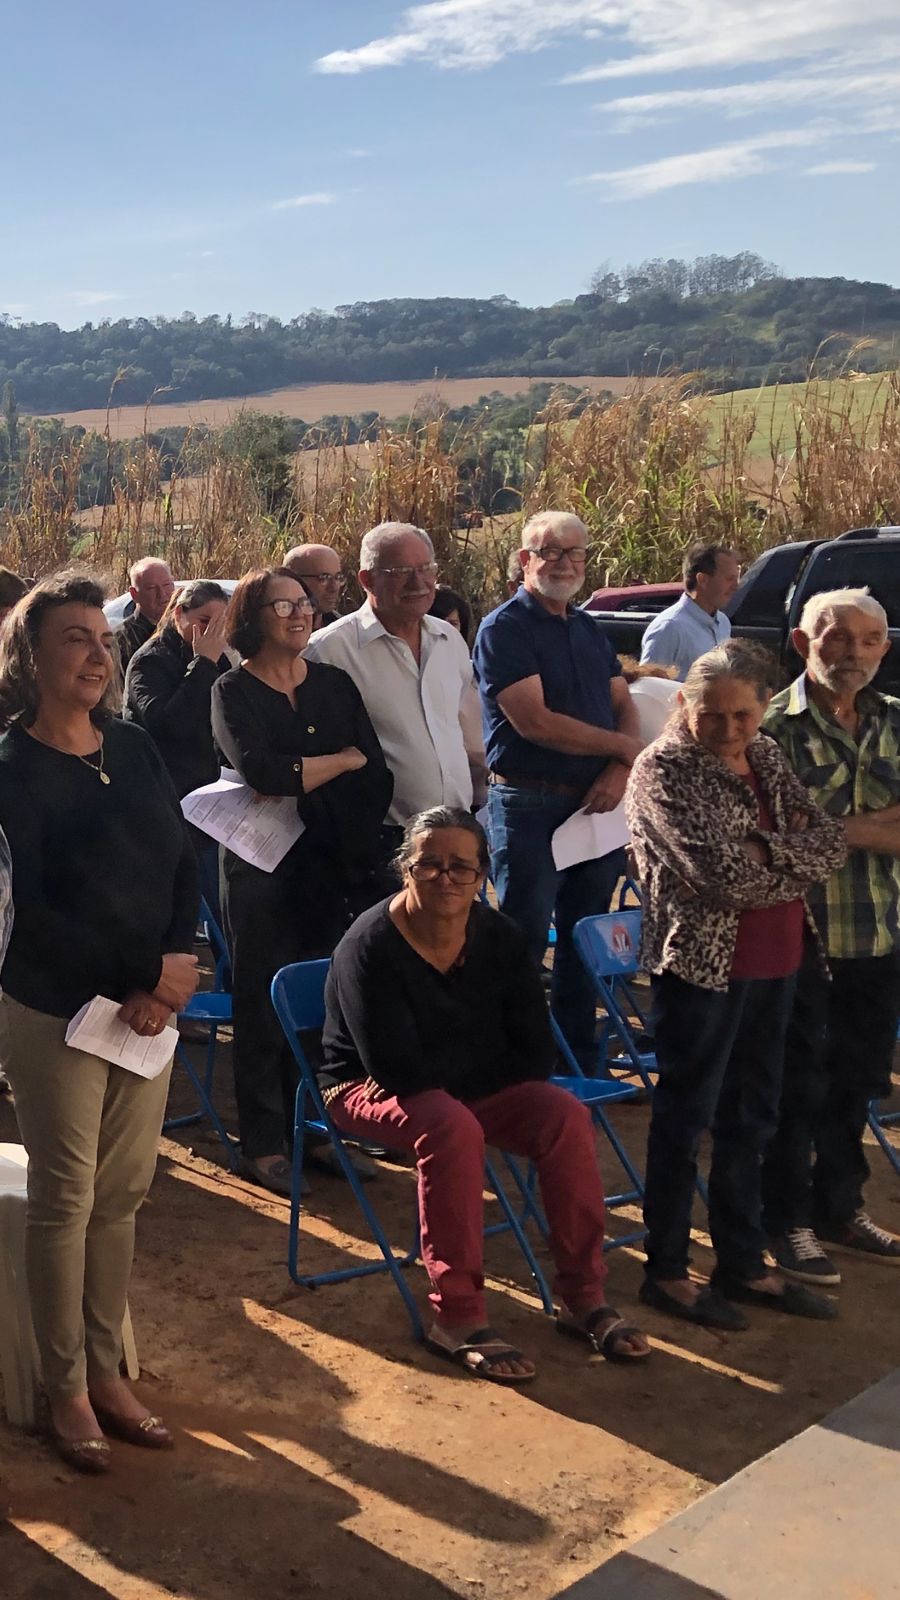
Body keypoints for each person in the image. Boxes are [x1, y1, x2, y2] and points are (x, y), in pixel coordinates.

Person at [624, 640, 900, 1329]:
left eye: (742, 716)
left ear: (762, 709)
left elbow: (826, 839)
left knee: (753, 1118)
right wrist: (791, 855)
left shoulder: (766, 754)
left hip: (783, 960)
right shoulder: (663, 770)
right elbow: (719, 876)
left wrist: (768, 851)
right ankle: (664, 1269)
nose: (727, 730)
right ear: (684, 703)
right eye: (711, 714)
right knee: (686, 1122)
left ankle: (742, 1260)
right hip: (703, 969)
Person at [322, 806, 650, 1379]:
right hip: (363, 1086)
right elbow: (394, 1068)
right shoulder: (370, 945)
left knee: (564, 1116)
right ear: (406, 870)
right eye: (429, 865)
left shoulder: (498, 936)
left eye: (461, 867)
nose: (445, 878)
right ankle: (457, 1316)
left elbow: (534, 1053)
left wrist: (461, 1075)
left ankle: (582, 1298)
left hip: (459, 1090)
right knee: (452, 1127)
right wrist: (473, 1069)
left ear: (481, 876)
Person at [0, 571, 199, 1471]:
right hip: (54, 1006)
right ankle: (66, 1387)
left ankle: (112, 1373)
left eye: (101, 637)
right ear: (31, 656)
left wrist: (177, 964)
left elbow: (179, 857)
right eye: (74, 637)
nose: (95, 651)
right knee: (65, 1201)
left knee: (122, 1199)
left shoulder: (136, 746)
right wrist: (142, 973)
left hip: (144, 1011)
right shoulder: (9, 769)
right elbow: (30, 909)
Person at [211, 567, 393, 1197]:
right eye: (282, 604)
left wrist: (318, 772)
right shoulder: (232, 690)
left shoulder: (335, 684)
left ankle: (315, 1128)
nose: (298, 613)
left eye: (304, 603)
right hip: (260, 864)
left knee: (320, 1001)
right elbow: (262, 772)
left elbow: (374, 773)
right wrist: (336, 762)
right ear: (252, 617)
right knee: (262, 1002)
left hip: (331, 861)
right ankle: (261, 1143)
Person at [762, 588, 900, 1278]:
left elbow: (805, 832)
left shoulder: (897, 722)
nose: (851, 652)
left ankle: (839, 1207)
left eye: (867, 639)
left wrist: (823, 829)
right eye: (835, 637)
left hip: (880, 933)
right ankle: (787, 1222)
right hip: (798, 938)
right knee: (795, 1088)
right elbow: (771, 841)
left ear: (886, 647)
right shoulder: (765, 730)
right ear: (800, 642)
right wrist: (877, 827)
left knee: (857, 1081)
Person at [472, 511, 640, 1072]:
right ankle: (511, 1066)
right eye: (552, 552)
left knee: (587, 941)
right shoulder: (504, 629)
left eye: (577, 553)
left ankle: (577, 1063)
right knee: (519, 941)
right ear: (525, 560)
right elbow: (534, 722)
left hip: (596, 804)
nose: (566, 563)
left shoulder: (587, 626)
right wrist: (621, 749)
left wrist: (620, 767)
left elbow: (624, 703)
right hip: (530, 805)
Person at [305, 523, 485, 868]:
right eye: (401, 572)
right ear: (367, 580)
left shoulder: (449, 640)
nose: (418, 583)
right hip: (381, 842)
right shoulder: (329, 651)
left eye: (426, 569)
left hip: (457, 831)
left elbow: (463, 731)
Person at [123, 580, 231, 915]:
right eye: (204, 622)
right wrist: (203, 665)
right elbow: (168, 725)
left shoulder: (216, 659)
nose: (211, 633)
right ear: (178, 614)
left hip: (214, 801)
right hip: (171, 801)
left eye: (220, 625)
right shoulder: (150, 662)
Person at [639, 542, 740, 680]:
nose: (736, 586)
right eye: (729, 579)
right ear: (702, 579)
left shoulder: (723, 622)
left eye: (737, 578)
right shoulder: (670, 627)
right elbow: (648, 687)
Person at [115, 557, 175, 673]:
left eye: (167, 585)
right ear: (134, 594)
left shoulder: (186, 630)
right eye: (151, 588)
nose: (162, 594)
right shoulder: (122, 640)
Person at [283, 543, 345, 627]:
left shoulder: (342, 630)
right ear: (295, 580)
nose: (333, 588)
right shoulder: (271, 632)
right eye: (324, 578)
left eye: (338, 577)